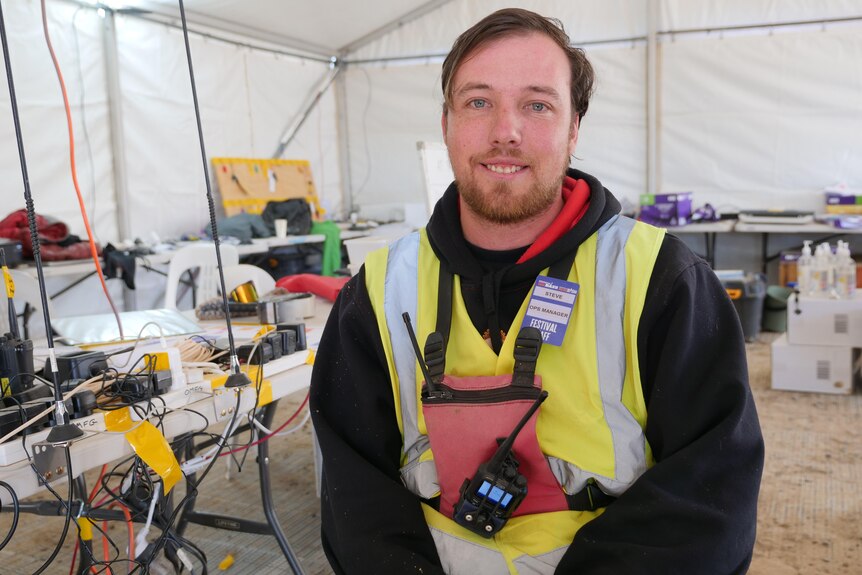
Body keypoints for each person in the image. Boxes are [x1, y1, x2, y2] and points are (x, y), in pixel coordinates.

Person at [310, 7, 764, 574]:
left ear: (575, 128)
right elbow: (356, 499)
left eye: (537, 104)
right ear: (446, 123)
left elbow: (708, 496)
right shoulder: (378, 292)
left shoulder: (660, 279)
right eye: (478, 101)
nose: (506, 131)